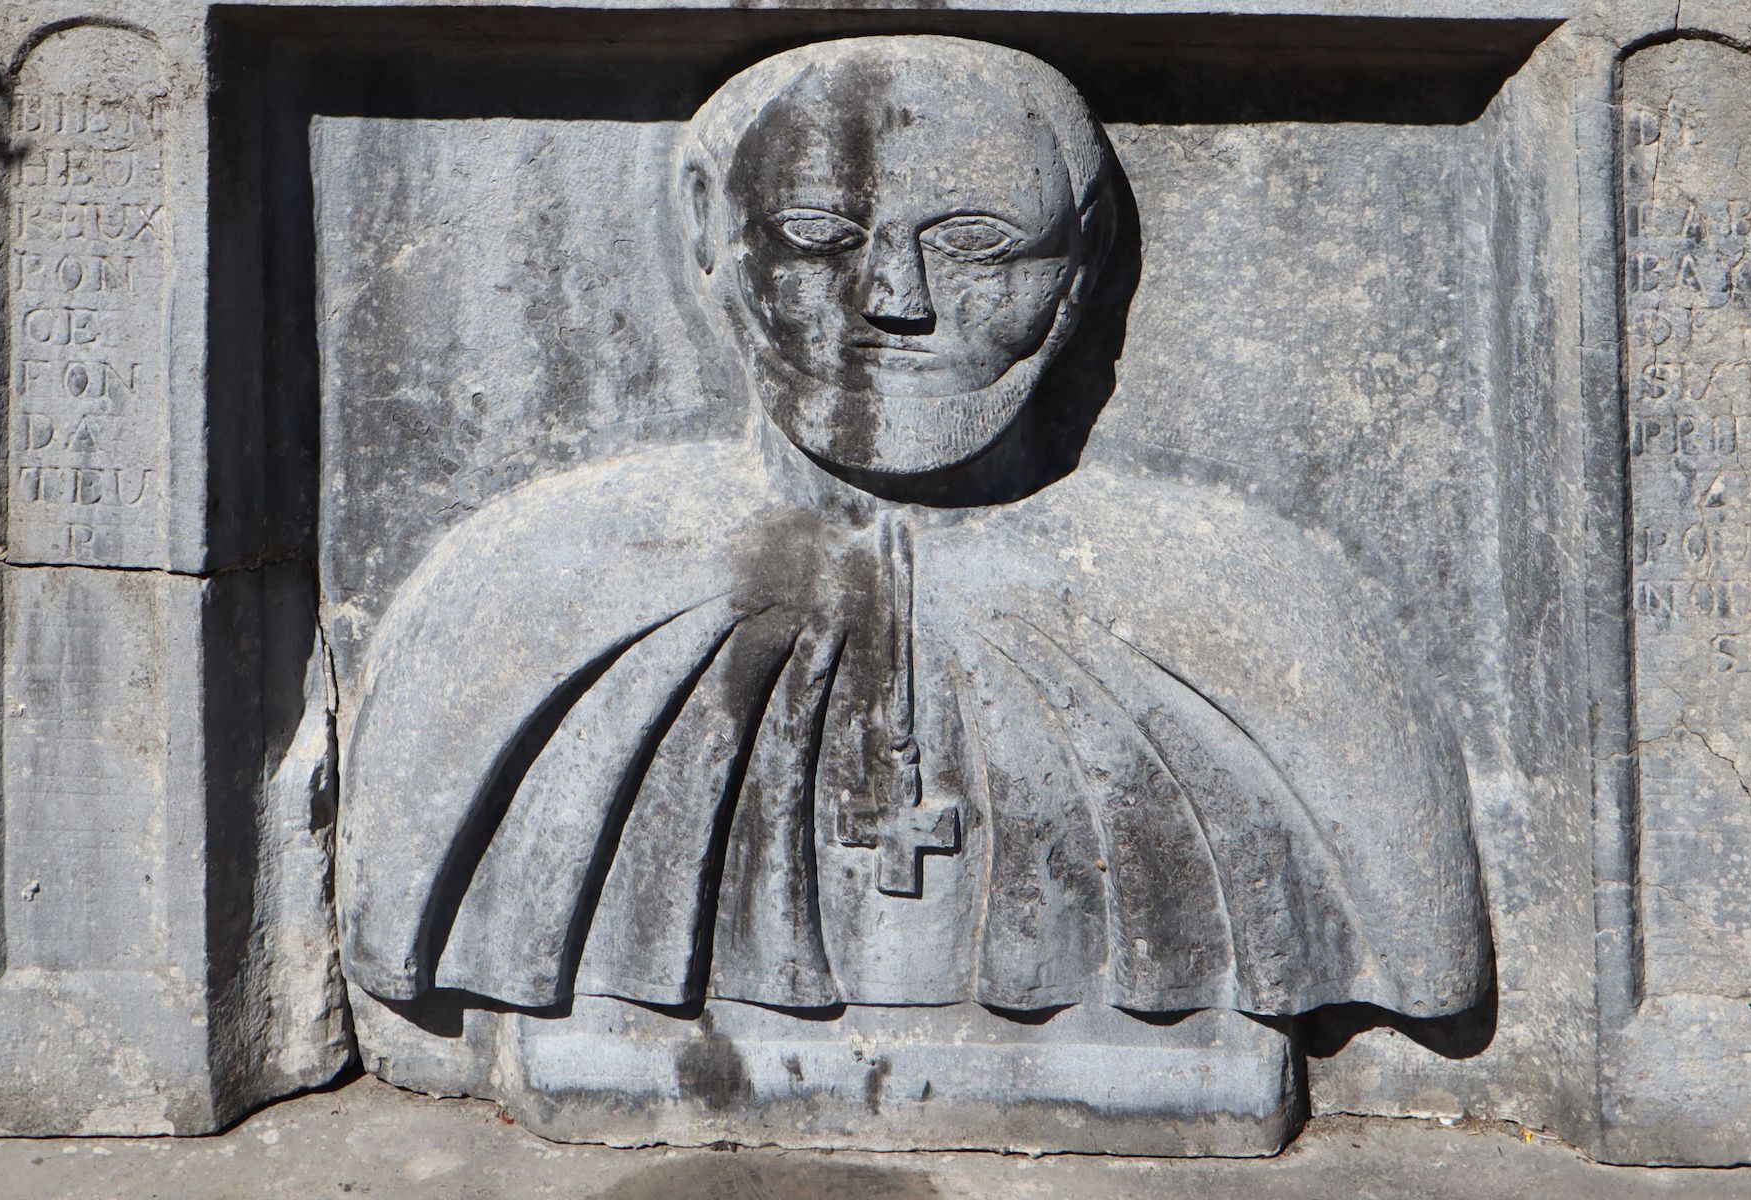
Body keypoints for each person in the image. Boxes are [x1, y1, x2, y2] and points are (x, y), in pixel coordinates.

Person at [338, 35, 1491, 1027]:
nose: (895, 299)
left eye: (979, 242)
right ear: (710, 229)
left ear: (1083, 260)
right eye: (819, 232)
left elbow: (1420, 940)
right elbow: (396, 908)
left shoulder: (1254, 610)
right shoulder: (532, 588)